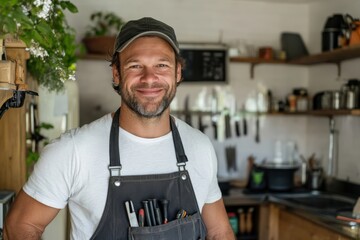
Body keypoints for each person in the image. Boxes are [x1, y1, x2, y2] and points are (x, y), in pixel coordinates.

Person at [4, 17, 235, 240]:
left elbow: (219, 233)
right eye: (135, 66)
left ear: (177, 73)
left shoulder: (199, 147)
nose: (149, 78)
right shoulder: (73, 151)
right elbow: (21, 226)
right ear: (117, 73)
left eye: (162, 65)